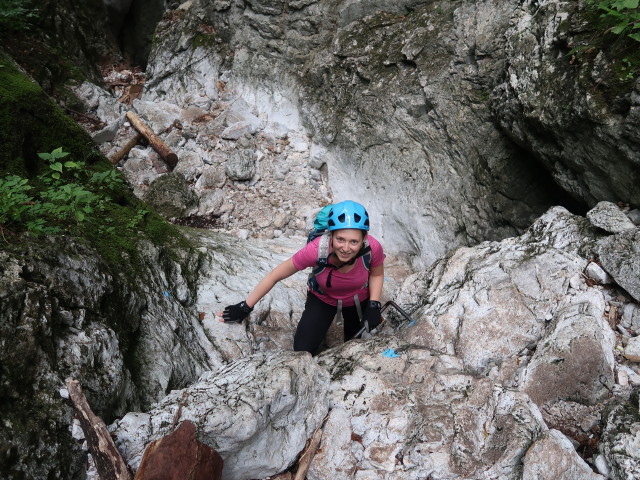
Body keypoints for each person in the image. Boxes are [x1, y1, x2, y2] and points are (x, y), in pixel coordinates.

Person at [217, 200, 385, 354]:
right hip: (323, 298)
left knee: (354, 346)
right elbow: (274, 276)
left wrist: (374, 304)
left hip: (358, 300)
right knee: (302, 349)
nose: (346, 248)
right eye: (340, 239)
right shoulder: (316, 250)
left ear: (363, 239)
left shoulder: (372, 248)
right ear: (331, 235)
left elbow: (377, 274)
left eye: (353, 242)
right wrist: (245, 307)